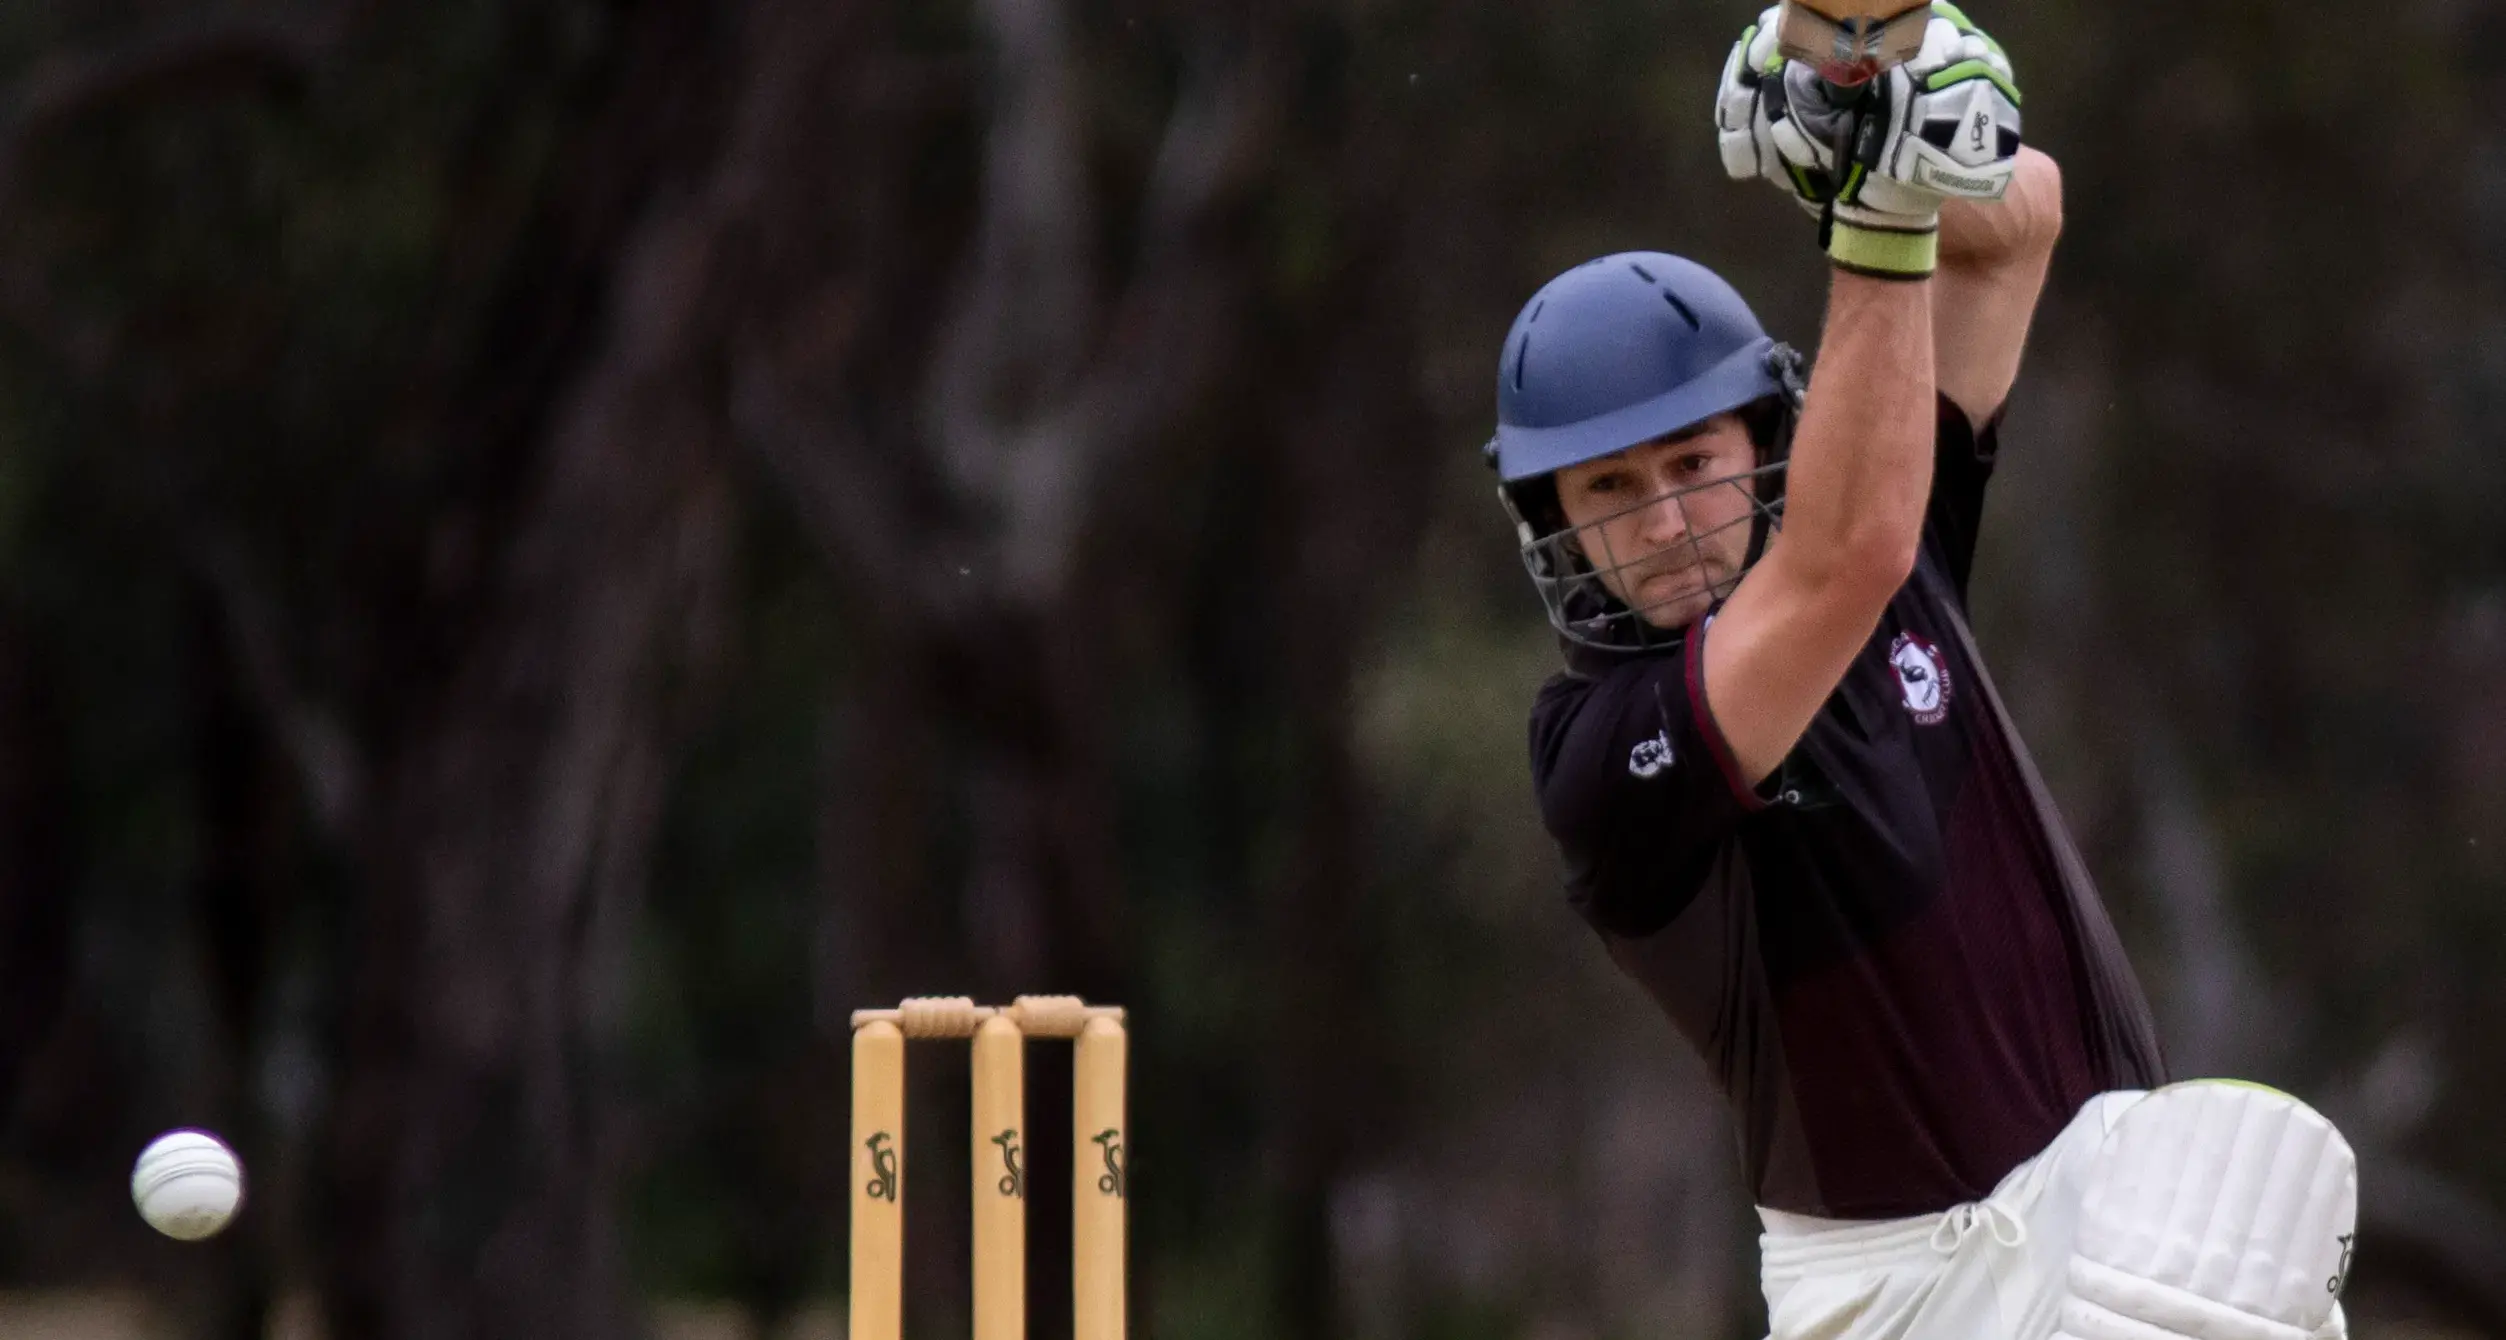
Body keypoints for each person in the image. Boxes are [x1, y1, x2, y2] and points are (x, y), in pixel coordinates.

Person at [1488, 7, 2360, 1338]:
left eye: (1691, 465)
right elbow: (1841, 559)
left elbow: (2018, 234)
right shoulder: (1602, 751)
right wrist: (1882, 207)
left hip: (2102, 1215)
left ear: (1767, 440)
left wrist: (1884, 107)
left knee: (2232, 1214)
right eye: (1609, 489)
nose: (1661, 521)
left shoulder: (1887, 542)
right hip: (1907, 1291)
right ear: (1552, 526)